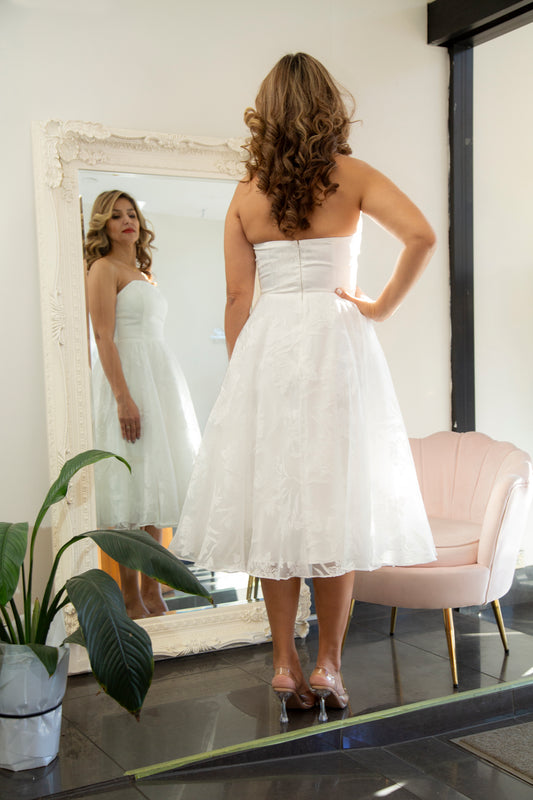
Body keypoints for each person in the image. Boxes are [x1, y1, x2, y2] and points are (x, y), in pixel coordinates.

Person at [170, 52, 437, 722]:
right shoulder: (353, 176)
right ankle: (329, 666)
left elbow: (237, 297)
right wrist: (376, 307)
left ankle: (284, 662)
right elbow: (421, 237)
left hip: (268, 348)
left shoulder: (245, 193)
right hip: (335, 345)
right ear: (327, 105)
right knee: (334, 502)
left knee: (277, 511)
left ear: (267, 111)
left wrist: (244, 377)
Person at [86, 190, 201, 619]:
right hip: (127, 380)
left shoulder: (144, 274)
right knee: (127, 490)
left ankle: (153, 592)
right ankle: (131, 598)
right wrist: (123, 397)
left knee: (156, 486)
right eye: (115, 216)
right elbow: (103, 336)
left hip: (158, 379)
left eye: (131, 213)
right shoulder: (102, 268)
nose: (126, 221)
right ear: (104, 225)